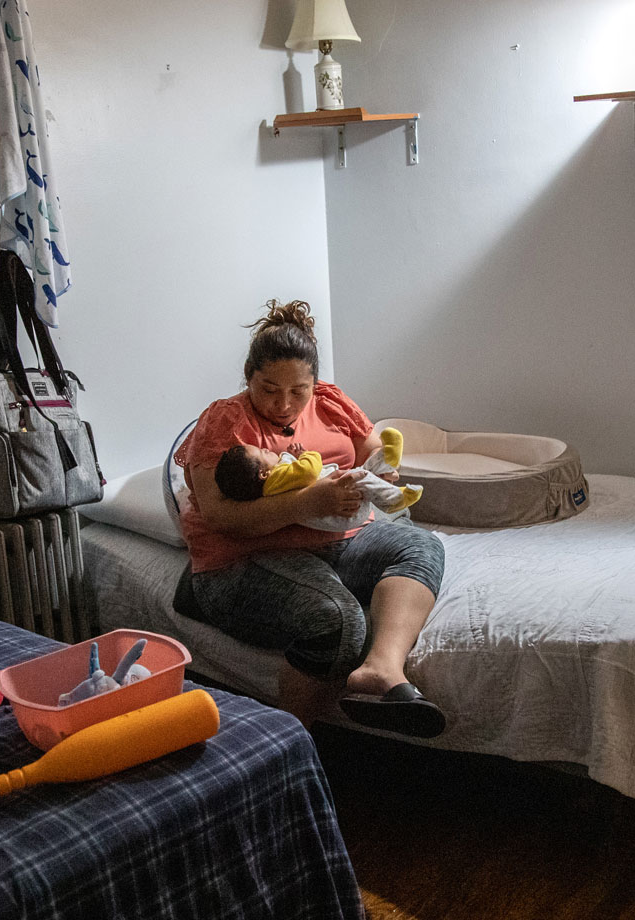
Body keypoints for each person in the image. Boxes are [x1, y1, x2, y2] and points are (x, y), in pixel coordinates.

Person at [174, 300, 447, 738]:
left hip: (337, 541)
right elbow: (221, 516)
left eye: (298, 391)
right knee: (337, 620)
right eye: (268, 389)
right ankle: (285, 746)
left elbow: (373, 450)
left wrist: (382, 472)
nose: (283, 404)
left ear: (313, 384)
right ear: (248, 377)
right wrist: (307, 502)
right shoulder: (225, 421)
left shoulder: (331, 402)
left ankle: (382, 667)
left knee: (422, 545)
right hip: (245, 557)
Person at [211, 429, 422, 532]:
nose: (267, 449)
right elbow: (309, 471)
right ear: (263, 474)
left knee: (360, 473)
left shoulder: (276, 481)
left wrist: (293, 455)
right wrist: (307, 454)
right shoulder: (276, 480)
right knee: (361, 477)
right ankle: (393, 500)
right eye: (263, 452)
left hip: (343, 509)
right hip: (345, 513)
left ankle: (386, 460)